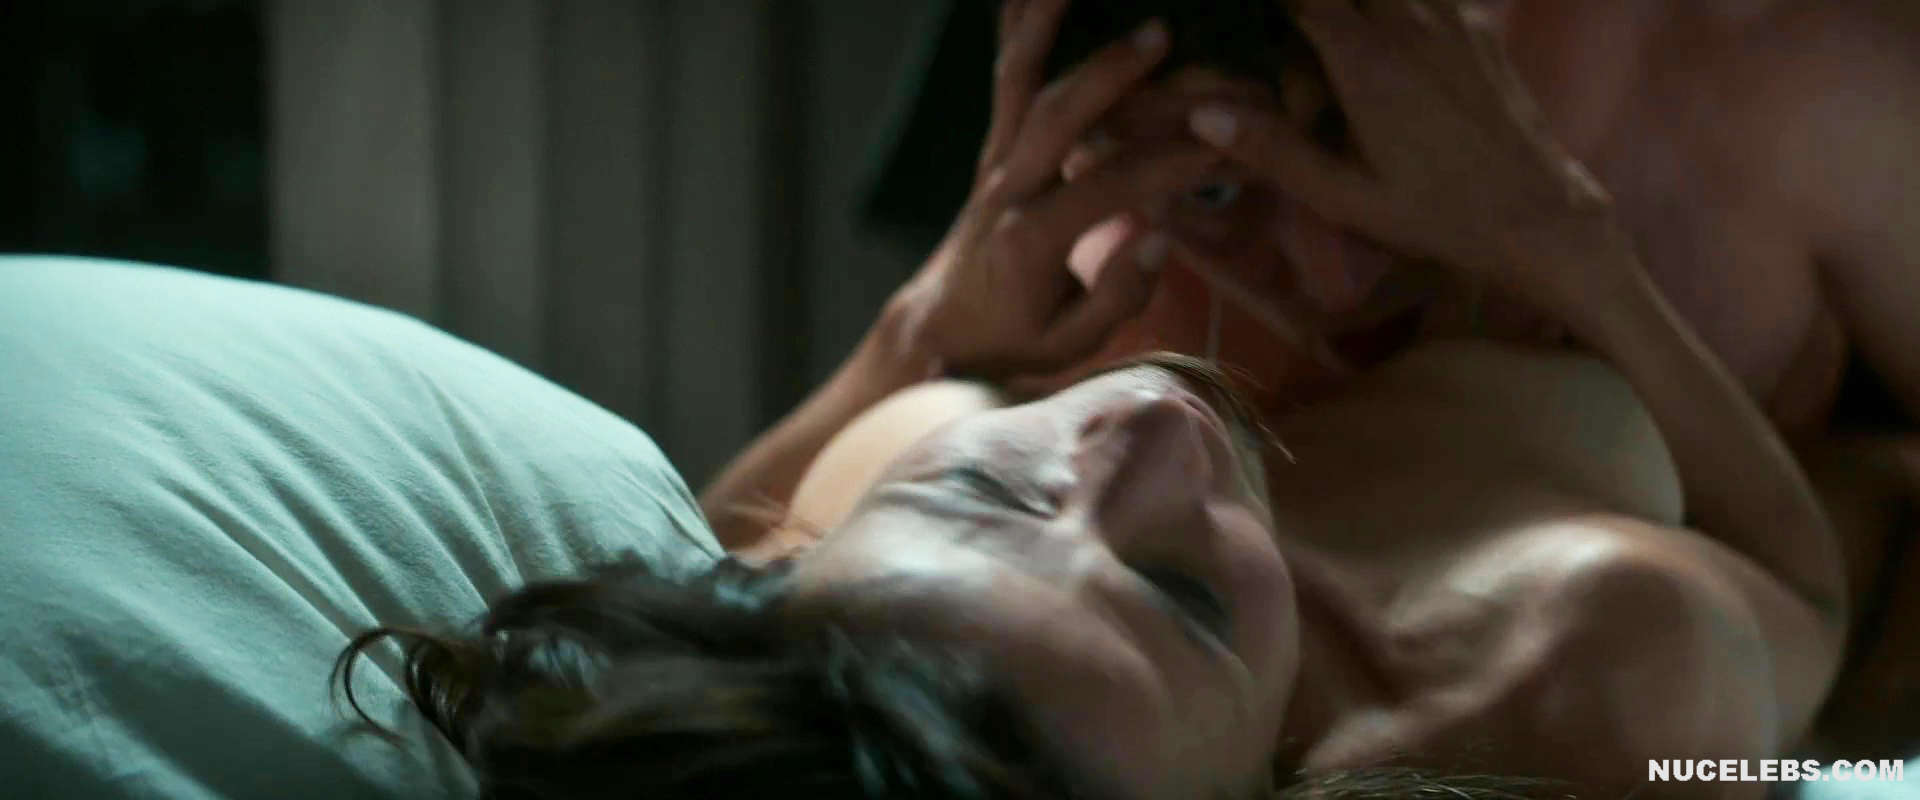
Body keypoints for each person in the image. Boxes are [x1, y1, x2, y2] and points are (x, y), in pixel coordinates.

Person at [340, 2, 1882, 797]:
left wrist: (916, 332)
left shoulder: (888, 525)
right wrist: (1566, 249)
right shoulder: (1603, 667)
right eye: (1184, 597)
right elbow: (1817, 647)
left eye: (988, 491)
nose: (1145, 423)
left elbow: (709, 555)